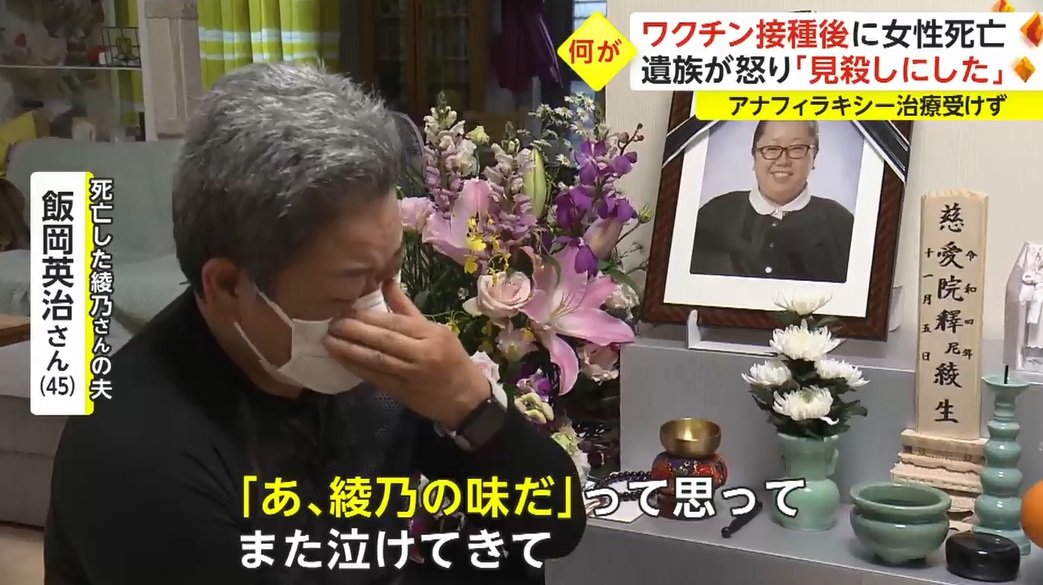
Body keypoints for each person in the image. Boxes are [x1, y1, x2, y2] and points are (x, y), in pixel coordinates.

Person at [44, 63, 584, 585]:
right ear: (228, 286)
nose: (382, 309)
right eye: (350, 288)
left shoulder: (376, 372)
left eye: (392, 271)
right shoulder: (138, 454)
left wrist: (471, 404)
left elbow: (555, 528)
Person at [689, 120, 854, 283]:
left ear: (814, 156)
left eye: (797, 148)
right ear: (754, 155)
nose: (783, 161)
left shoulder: (841, 225)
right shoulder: (713, 216)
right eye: (771, 149)